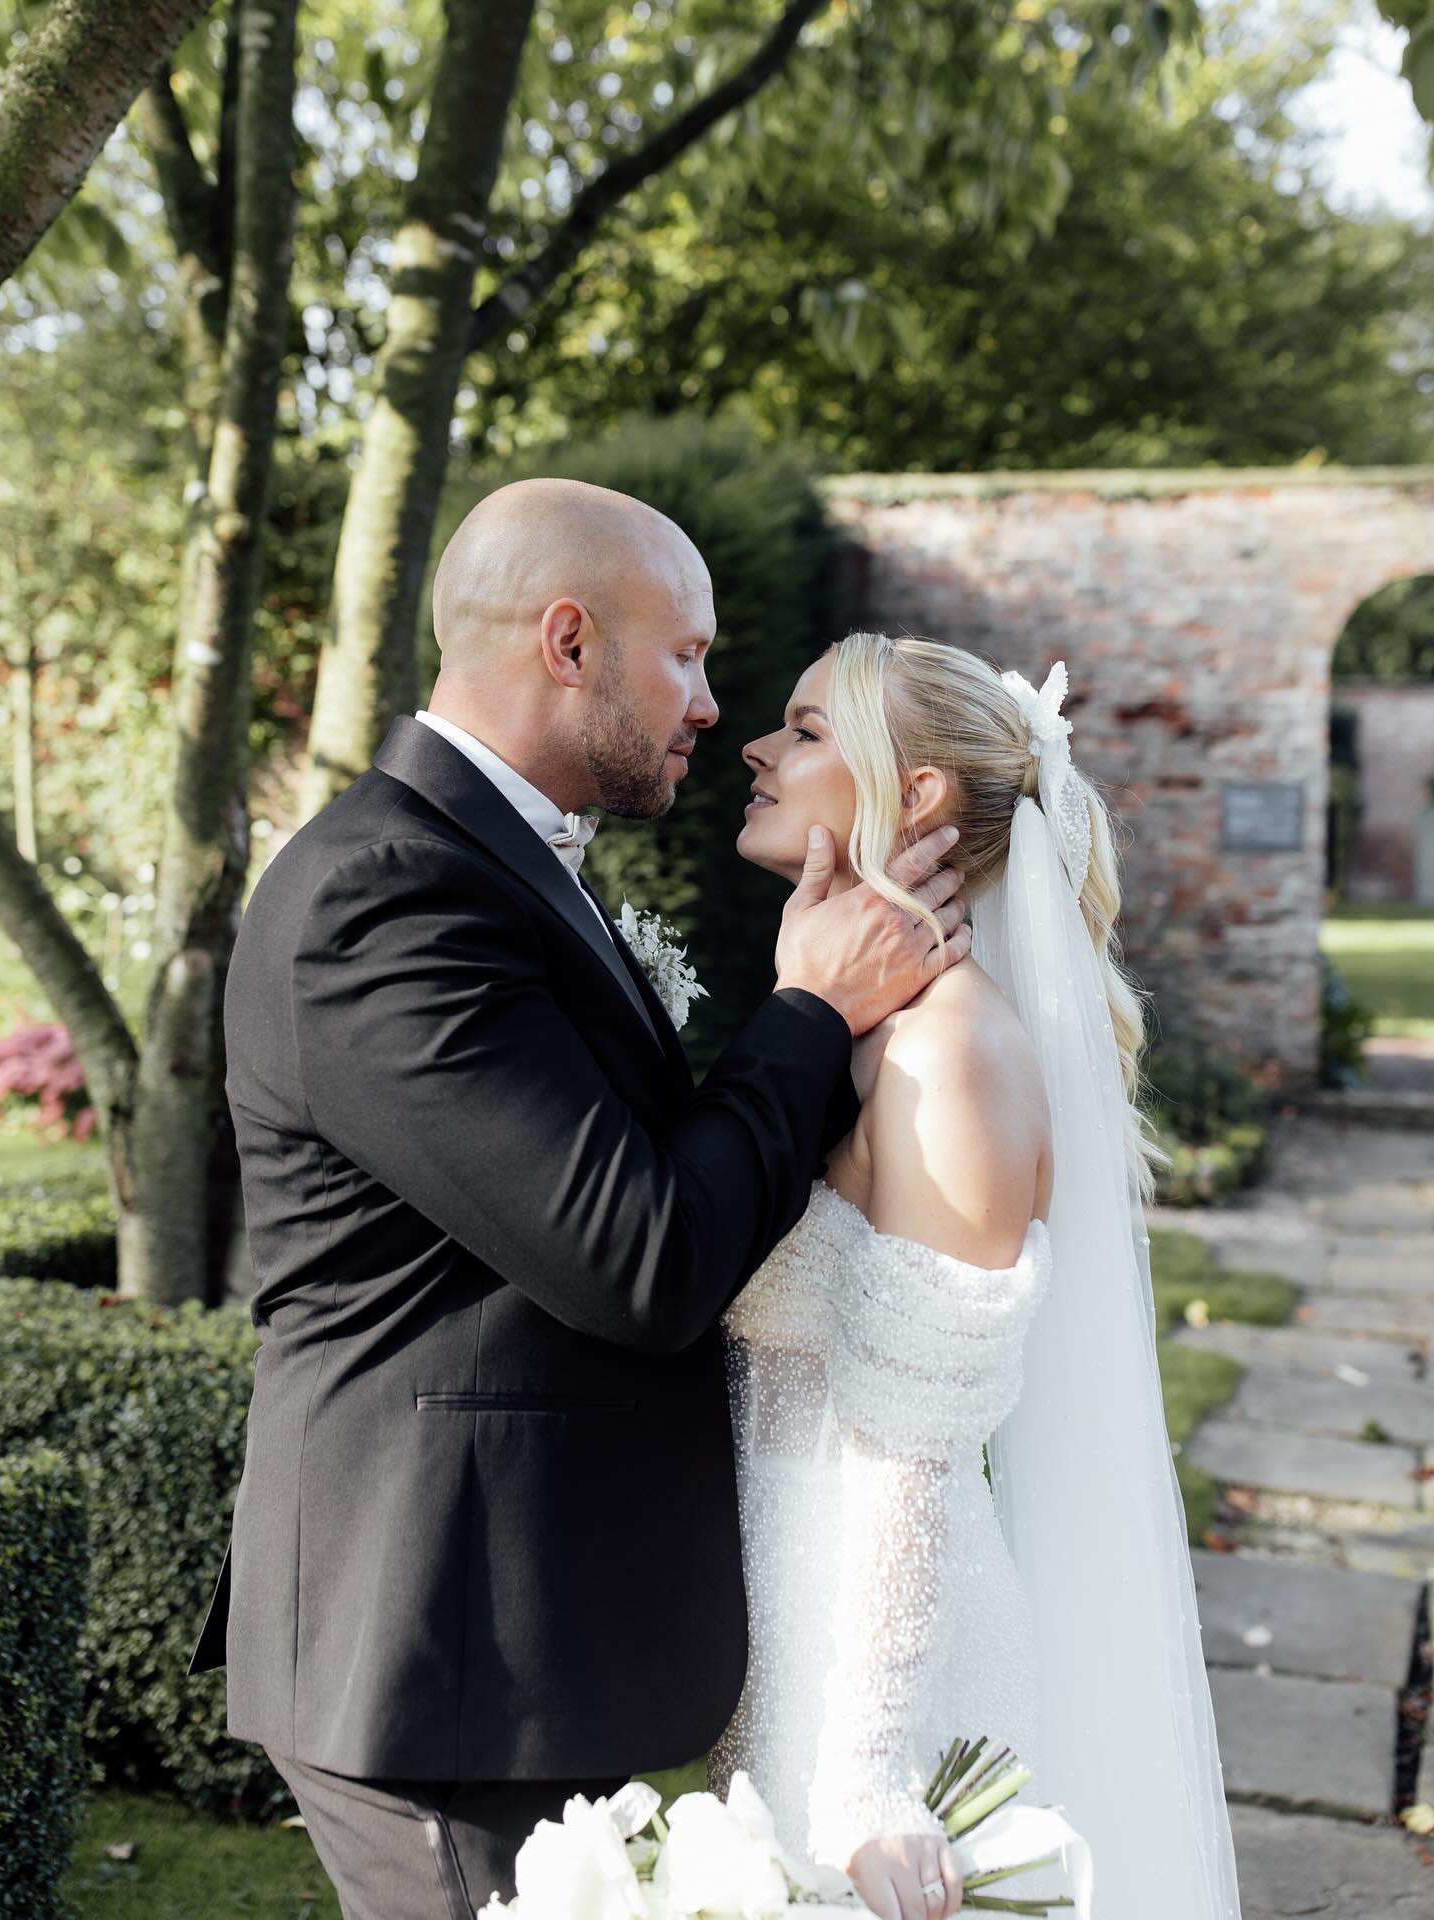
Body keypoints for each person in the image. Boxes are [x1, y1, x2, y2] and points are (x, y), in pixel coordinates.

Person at [185, 483, 972, 1920]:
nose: (709, 705)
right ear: (568, 641)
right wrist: (806, 1010)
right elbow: (641, 1256)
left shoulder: (487, 866)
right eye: (687, 655)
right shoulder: (389, 897)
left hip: (516, 1640)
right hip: (441, 1660)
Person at [710, 633, 1242, 1920]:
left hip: (881, 1666)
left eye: (806, 730)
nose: (757, 749)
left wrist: (870, 1784)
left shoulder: (950, 1057)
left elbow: (916, 1461)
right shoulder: (862, 1030)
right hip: (789, 1623)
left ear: (923, 794)